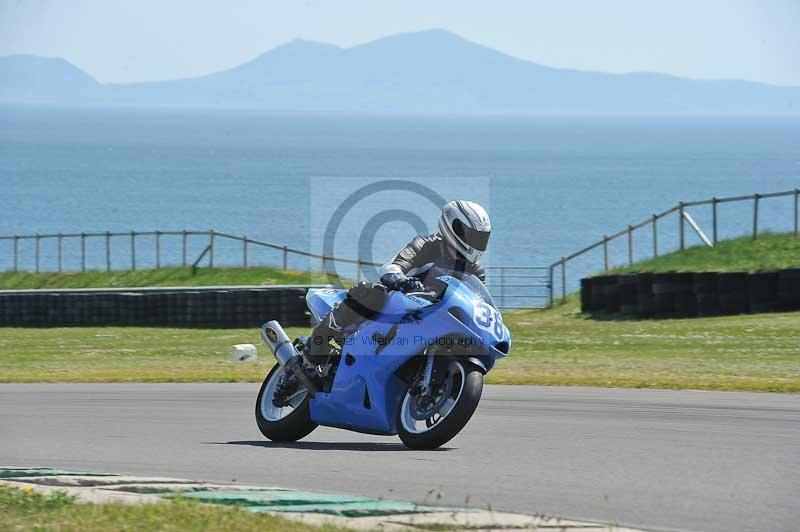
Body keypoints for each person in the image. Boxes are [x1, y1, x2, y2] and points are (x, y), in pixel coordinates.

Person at [304, 200, 491, 365]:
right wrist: (401, 280)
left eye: (482, 238)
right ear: (454, 228)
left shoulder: (476, 270)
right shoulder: (425, 246)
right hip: (399, 305)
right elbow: (393, 266)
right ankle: (317, 343)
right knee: (373, 292)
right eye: (473, 236)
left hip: (433, 318)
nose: (478, 243)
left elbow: (476, 302)